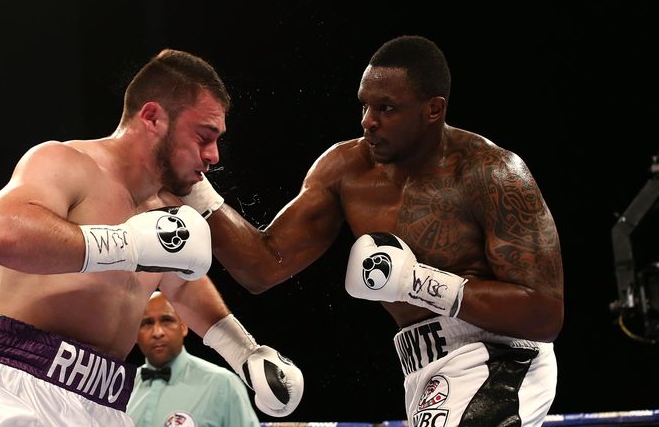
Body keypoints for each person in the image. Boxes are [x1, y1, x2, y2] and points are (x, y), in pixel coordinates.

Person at [180, 35, 564, 427]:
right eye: (365, 105)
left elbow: (545, 313)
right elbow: (263, 266)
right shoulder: (347, 170)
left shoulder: (492, 173)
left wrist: (417, 282)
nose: (368, 121)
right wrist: (190, 184)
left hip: (503, 358)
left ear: (433, 110)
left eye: (386, 108)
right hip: (422, 370)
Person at [0, 48, 303, 426]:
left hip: (105, 401)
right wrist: (123, 244)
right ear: (152, 117)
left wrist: (245, 352)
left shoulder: (166, 210)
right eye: (203, 136)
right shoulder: (67, 162)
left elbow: (183, 286)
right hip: (14, 382)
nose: (213, 155)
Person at [127, 291, 259, 426]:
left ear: (183, 327)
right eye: (147, 323)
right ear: (135, 332)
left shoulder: (222, 384)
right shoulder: (121, 388)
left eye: (167, 320)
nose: (157, 332)